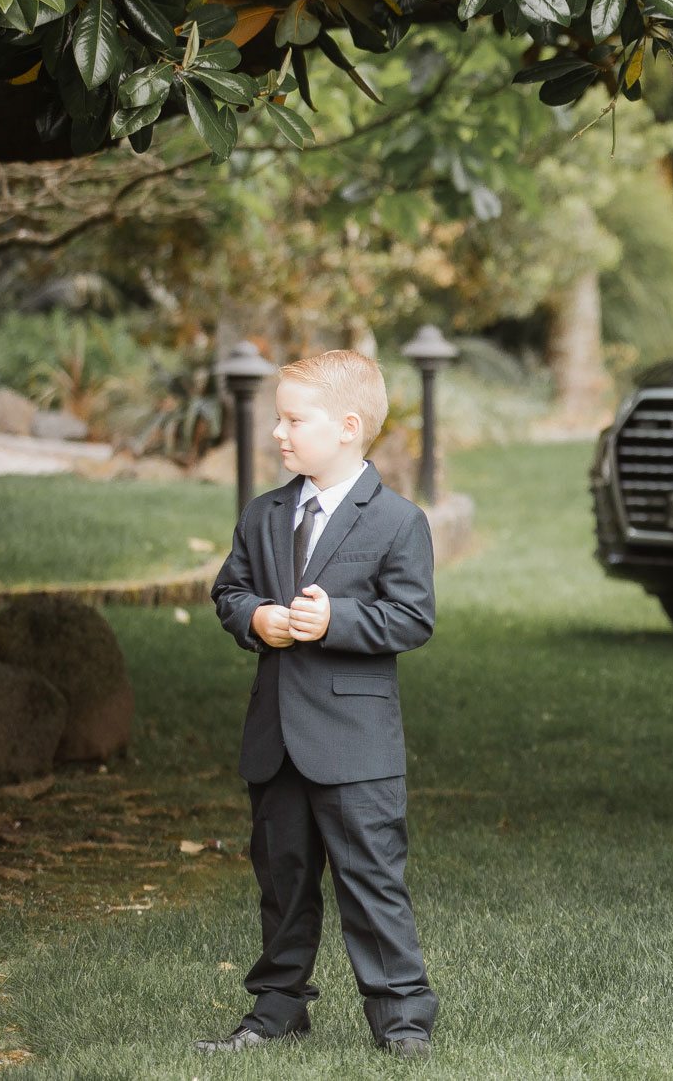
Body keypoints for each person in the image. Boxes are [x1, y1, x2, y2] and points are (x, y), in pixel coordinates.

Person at [203, 351, 438, 1059]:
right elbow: (229, 590)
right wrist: (256, 619)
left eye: (292, 418)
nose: (278, 430)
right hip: (275, 737)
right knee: (283, 878)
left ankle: (401, 1017)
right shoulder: (265, 512)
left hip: (356, 745)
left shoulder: (397, 520)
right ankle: (277, 1008)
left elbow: (411, 616)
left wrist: (335, 619)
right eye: (276, 416)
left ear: (346, 425)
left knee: (371, 881)